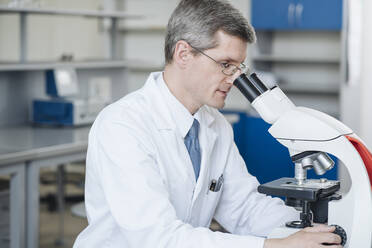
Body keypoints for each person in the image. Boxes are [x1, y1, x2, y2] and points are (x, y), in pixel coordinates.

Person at [73, 0, 342, 247]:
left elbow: (243, 206)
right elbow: (156, 237)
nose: (234, 79)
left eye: (239, 68)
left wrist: (315, 228)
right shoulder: (123, 125)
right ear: (183, 54)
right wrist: (273, 246)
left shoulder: (215, 124)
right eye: (225, 64)